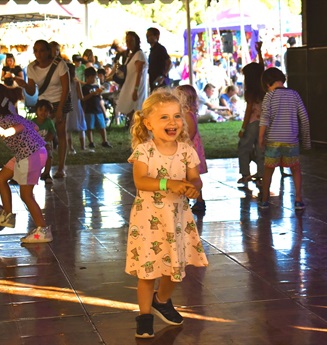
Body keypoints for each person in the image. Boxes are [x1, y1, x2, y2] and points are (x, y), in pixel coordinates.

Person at [126, 89, 208, 338]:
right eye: (164, 118)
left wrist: (193, 188)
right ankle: (144, 316)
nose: (172, 122)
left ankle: (161, 300)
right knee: (148, 271)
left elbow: (195, 179)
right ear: (148, 123)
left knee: (175, 267)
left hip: (178, 220)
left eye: (176, 116)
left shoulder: (186, 151)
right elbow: (141, 181)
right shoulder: (144, 151)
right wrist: (168, 184)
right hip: (148, 220)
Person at [0, 83, 52, 243]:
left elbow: (18, 127)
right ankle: (7, 217)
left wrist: (8, 131)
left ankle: (43, 230)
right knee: (1, 178)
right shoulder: (9, 115)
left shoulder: (3, 122)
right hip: (28, 152)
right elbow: (35, 126)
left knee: (26, 195)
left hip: (31, 155)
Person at [15, 40, 70, 179]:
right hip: (44, 103)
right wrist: (24, 85)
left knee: (60, 133)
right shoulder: (31, 67)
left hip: (60, 100)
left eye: (42, 50)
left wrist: (60, 109)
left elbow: (66, 88)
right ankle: (44, 166)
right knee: (41, 134)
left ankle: (61, 167)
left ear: (48, 51)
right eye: (36, 50)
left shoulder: (60, 65)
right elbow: (32, 90)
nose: (38, 54)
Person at [258, 67, 311, 210]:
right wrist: (306, 141)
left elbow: (264, 119)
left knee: (268, 170)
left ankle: (264, 199)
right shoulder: (294, 94)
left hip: (273, 141)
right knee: (295, 169)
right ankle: (299, 199)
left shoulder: (269, 96)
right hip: (291, 140)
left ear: (267, 84)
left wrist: (261, 138)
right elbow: (304, 118)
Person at [176, 84, 208, 213]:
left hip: (190, 149)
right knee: (185, 176)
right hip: (186, 148)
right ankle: (189, 198)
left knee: (191, 176)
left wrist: (182, 142)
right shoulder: (183, 113)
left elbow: (191, 132)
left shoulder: (188, 114)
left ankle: (199, 200)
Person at [237, 42, 265, 185]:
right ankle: (261, 175)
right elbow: (262, 67)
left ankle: (245, 174)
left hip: (253, 123)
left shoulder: (251, 92)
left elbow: (249, 111)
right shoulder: (264, 88)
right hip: (264, 123)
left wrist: (242, 128)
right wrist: (259, 51)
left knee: (244, 148)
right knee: (261, 148)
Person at [116, 31, 148, 125]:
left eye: (131, 41)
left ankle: (138, 136)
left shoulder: (139, 55)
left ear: (136, 41)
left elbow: (139, 73)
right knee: (131, 114)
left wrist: (136, 90)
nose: (129, 43)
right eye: (127, 41)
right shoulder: (130, 55)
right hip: (129, 86)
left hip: (135, 88)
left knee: (136, 114)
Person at [81, 67, 112, 149]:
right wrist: (92, 94)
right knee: (89, 127)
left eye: (94, 77)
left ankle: (104, 141)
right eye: (92, 77)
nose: (93, 79)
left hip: (98, 109)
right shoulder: (85, 87)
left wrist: (99, 92)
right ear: (87, 77)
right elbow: (83, 98)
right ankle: (91, 142)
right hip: (89, 110)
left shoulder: (96, 86)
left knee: (102, 126)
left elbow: (99, 96)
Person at [32, 99, 56, 184]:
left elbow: (52, 133)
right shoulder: (33, 122)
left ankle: (47, 173)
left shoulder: (49, 122)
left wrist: (46, 142)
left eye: (46, 111)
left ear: (49, 113)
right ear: (36, 111)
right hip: (35, 144)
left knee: (49, 157)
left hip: (46, 143)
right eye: (41, 110)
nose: (43, 113)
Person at [67, 63, 87, 153]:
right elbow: (81, 97)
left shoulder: (63, 83)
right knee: (81, 126)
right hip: (76, 106)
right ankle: (83, 146)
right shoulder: (76, 83)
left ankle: (70, 147)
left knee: (67, 129)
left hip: (67, 107)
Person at [146, 27, 172, 92]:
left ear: (157, 36)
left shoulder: (160, 49)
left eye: (150, 35)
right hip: (154, 81)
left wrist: (163, 76)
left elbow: (169, 63)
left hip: (160, 82)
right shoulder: (152, 50)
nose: (148, 37)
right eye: (147, 36)